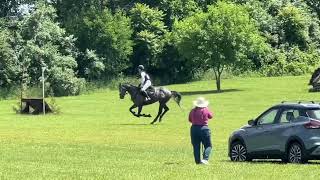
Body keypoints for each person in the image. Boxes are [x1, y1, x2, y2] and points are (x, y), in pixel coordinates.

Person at [188, 97, 213, 165]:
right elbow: (211, 116)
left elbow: (190, 120)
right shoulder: (206, 109)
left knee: (196, 146)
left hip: (194, 129)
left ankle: (197, 162)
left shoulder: (192, 110)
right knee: (208, 145)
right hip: (204, 128)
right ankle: (205, 159)